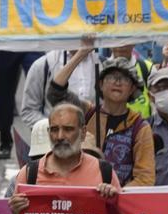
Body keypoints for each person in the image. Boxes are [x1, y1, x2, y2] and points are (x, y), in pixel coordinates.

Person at [7, 104, 122, 214]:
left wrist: (112, 203)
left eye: (68, 129)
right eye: (54, 130)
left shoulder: (104, 173)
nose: (60, 136)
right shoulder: (29, 174)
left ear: (83, 133)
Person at [48, 51, 156, 188]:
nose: (117, 82)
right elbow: (55, 93)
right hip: (79, 196)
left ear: (132, 88)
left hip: (118, 204)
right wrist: (81, 54)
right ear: (100, 84)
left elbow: (145, 178)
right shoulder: (86, 112)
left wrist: (115, 192)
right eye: (111, 77)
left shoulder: (139, 127)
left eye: (124, 78)